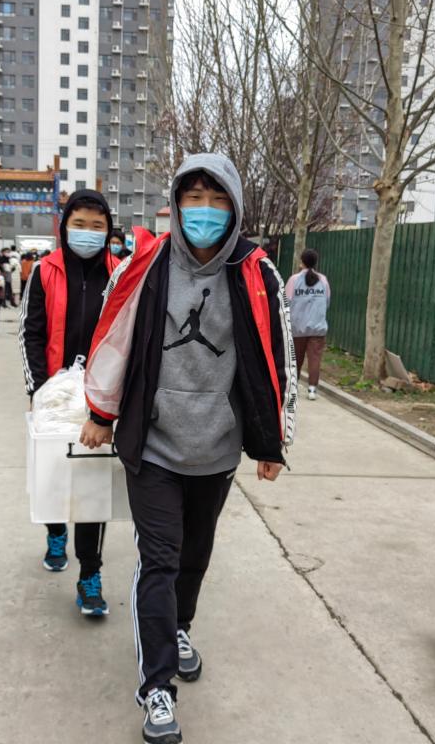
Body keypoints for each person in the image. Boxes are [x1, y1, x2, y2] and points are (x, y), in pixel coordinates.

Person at [79, 154, 296, 744]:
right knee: (160, 560)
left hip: (217, 446)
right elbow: (115, 335)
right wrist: (101, 412)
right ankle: (157, 688)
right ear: (176, 203)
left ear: (236, 207)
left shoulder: (256, 271)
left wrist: (272, 439)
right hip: (153, 444)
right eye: (193, 197)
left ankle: (180, 626)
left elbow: (277, 357)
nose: (205, 210)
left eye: (217, 198)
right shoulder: (147, 263)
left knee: (195, 554)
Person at [19, 189, 121, 617]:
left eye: (98, 226)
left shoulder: (121, 272)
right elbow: (31, 333)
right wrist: (40, 392)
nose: (88, 232)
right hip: (54, 395)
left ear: (109, 230)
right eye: (79, 224)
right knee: (53, 476)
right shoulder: (45, 271)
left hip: (99, 397)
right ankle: (55, 530)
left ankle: (90, 575)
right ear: (64, 227)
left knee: (92, 486)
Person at [286, 248, 330, 401]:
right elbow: (327, 301)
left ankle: (294, 388)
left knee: (295, 359)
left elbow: (286, 301)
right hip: (318, 327)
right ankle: (312, 390)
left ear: (302, 262)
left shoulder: (294, 280)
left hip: (297, 327)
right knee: (315, 359)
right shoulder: (323, 280)